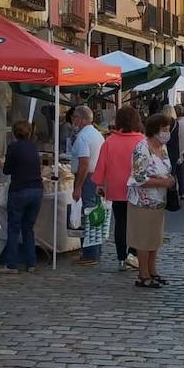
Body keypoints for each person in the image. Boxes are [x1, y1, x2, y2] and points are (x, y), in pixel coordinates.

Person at [91, 107, 144, 272]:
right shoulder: (142, 141)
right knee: (136, 224)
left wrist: (99, 184)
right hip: (137, 189)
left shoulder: (110, 142)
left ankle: (121, 258)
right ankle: (132, 254)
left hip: (117, 188)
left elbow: (101, 166)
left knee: (120, 223)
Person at [127, 113, 176, 288]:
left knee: (155, 238)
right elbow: (139, 178)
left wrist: (169, 180)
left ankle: (153, 270)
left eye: (168, 129)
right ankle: (143, 274)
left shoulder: (163, 148)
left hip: (159, 200)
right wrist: (164, 182)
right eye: (164, 129)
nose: (167, 132)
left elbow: (165, 168)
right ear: (154, 130)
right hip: (143, 201)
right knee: (143, 238)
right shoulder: (142, 148)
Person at [1, 121, 43, 274]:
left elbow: (6, 170)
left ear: (14, 133)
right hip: (36, 190)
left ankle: (11, 264)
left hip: (19, 190)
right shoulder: (33, 147)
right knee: (28, 228)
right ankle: (31, 262)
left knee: (13, 228)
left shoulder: (13, 147)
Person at [70, 106, 107, 266]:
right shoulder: (97, 135)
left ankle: (90, 253)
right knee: (95, 214)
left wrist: (78, 186)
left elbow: (84, 164)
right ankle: (95, 250)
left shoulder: (83, 137)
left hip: (88, 178)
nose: (73, 122)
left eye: (74, 118)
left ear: (80, 119)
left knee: (89, 213)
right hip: (97, 176)